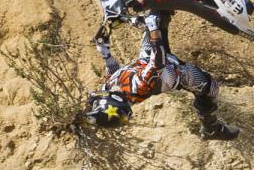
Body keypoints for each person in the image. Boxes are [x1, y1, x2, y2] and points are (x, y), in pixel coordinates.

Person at [85, 11, 239, 140]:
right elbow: (158, 62)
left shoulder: (111, 87)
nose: (97, 97)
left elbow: (114, 72)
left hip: (147, 56)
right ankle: (211, 128)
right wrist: (152, 27)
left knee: (158, 11)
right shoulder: (140, 86)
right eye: (98, 103)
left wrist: (104, 51)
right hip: (177, 72)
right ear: (112, 103)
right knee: (211, 87)